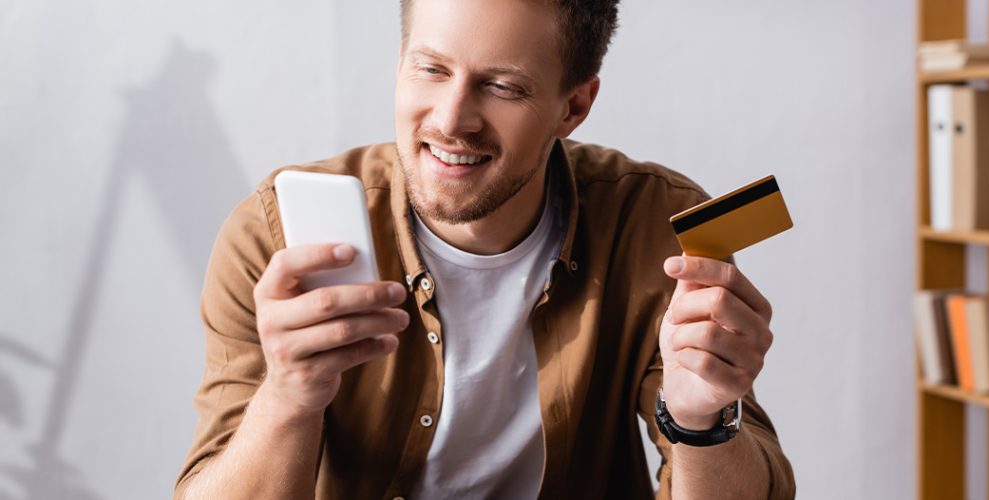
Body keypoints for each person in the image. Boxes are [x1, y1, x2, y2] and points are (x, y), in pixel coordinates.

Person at [174, 0, 795, 498]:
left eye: (501, 86)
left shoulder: (655, 229)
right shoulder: (273, 236)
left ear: (573, 106)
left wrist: (698, 420)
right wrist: (288, 398)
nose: (451, 119)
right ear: (399, 62)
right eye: (431, 69)